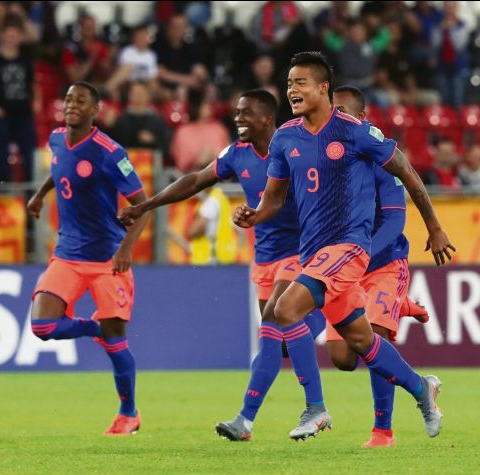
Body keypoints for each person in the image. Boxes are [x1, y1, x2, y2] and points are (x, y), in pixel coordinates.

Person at [233, 51, 454, 441]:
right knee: (359, 343)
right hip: (314, 253)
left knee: (283, 310)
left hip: (349, 247)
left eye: (300, 83)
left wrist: (435, 227)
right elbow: (274, 198)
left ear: (323, 88)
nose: (292, 90)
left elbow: (404, 169)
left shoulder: (353, 131)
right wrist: (255, 215)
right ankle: (423, 389)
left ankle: (316, 408)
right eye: (288, 84)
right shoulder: (286, 137)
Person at [120, 89, 329, 441]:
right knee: (273, 341)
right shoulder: (237, 154)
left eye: (245, 114)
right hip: (264, 257)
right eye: (236, 113)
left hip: (303, 252)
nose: (237, 119)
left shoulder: (295, 147)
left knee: (274, 319)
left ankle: (311, 407)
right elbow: (194, 180)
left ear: (266, 118)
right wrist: (146, 205)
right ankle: (246, 422)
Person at [27, 82, 149, 435]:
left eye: (80, 100)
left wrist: (126, 249)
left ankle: (129, 413)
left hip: (107, 260)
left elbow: (141, 206)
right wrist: (40, 194)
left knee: (117, 344)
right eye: (67, 98)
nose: (71, 104)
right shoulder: (55, 139)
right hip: (67, 254)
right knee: (42, 327)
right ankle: (95, 329)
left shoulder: (109, 152)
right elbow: (60, 168)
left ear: (95, 110)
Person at [330, 85, 430, 448]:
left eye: (342, 110)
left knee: (373, 334)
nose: (334, 115)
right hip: (342, 266)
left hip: (382, 262)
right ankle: (401, 305)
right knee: (342, 357)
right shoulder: (325, 156)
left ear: (360, 119)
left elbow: (393, 223)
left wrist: (361, 256)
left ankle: (382, 431)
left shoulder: (378, 160)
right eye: (332, 109)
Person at [0, 16, 39, 182]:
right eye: (8, 35)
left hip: (24, 115)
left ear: (20, 37)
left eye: (15, 35)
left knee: (30, 158)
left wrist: (37, 102)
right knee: (1, 159)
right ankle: (3, 195)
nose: (11, 39)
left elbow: (34, 85)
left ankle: (31, 198)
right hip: (2, 117)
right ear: (2, 35)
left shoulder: (26, 61)